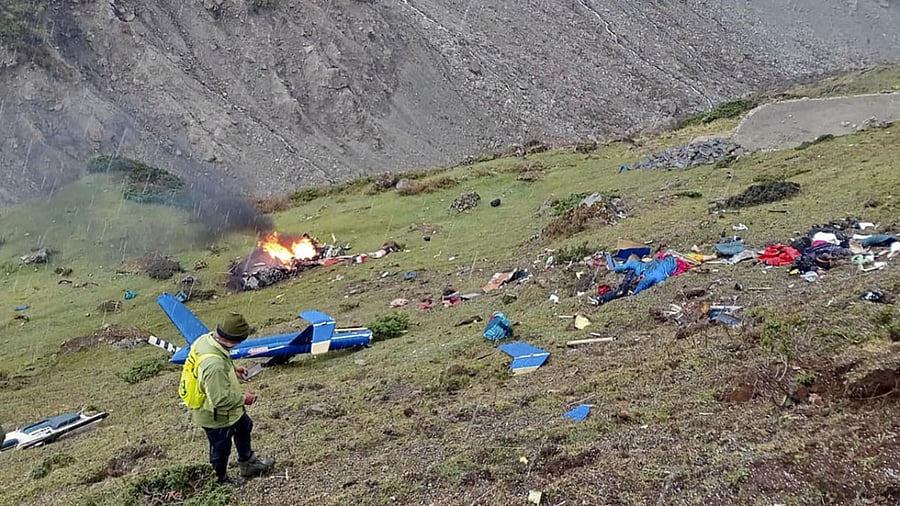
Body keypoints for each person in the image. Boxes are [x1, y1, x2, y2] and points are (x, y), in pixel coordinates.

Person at [182, 312, 274, 485]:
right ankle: (220, 480)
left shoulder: (206, 340)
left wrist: (232, 369)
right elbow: (220, 400)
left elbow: (220, 359)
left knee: (245, 425)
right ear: (234, 341)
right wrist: (244, 398)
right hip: (215, 415)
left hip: (230, 411)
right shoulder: (214, 365)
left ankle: (248, 463)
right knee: (221, 448)